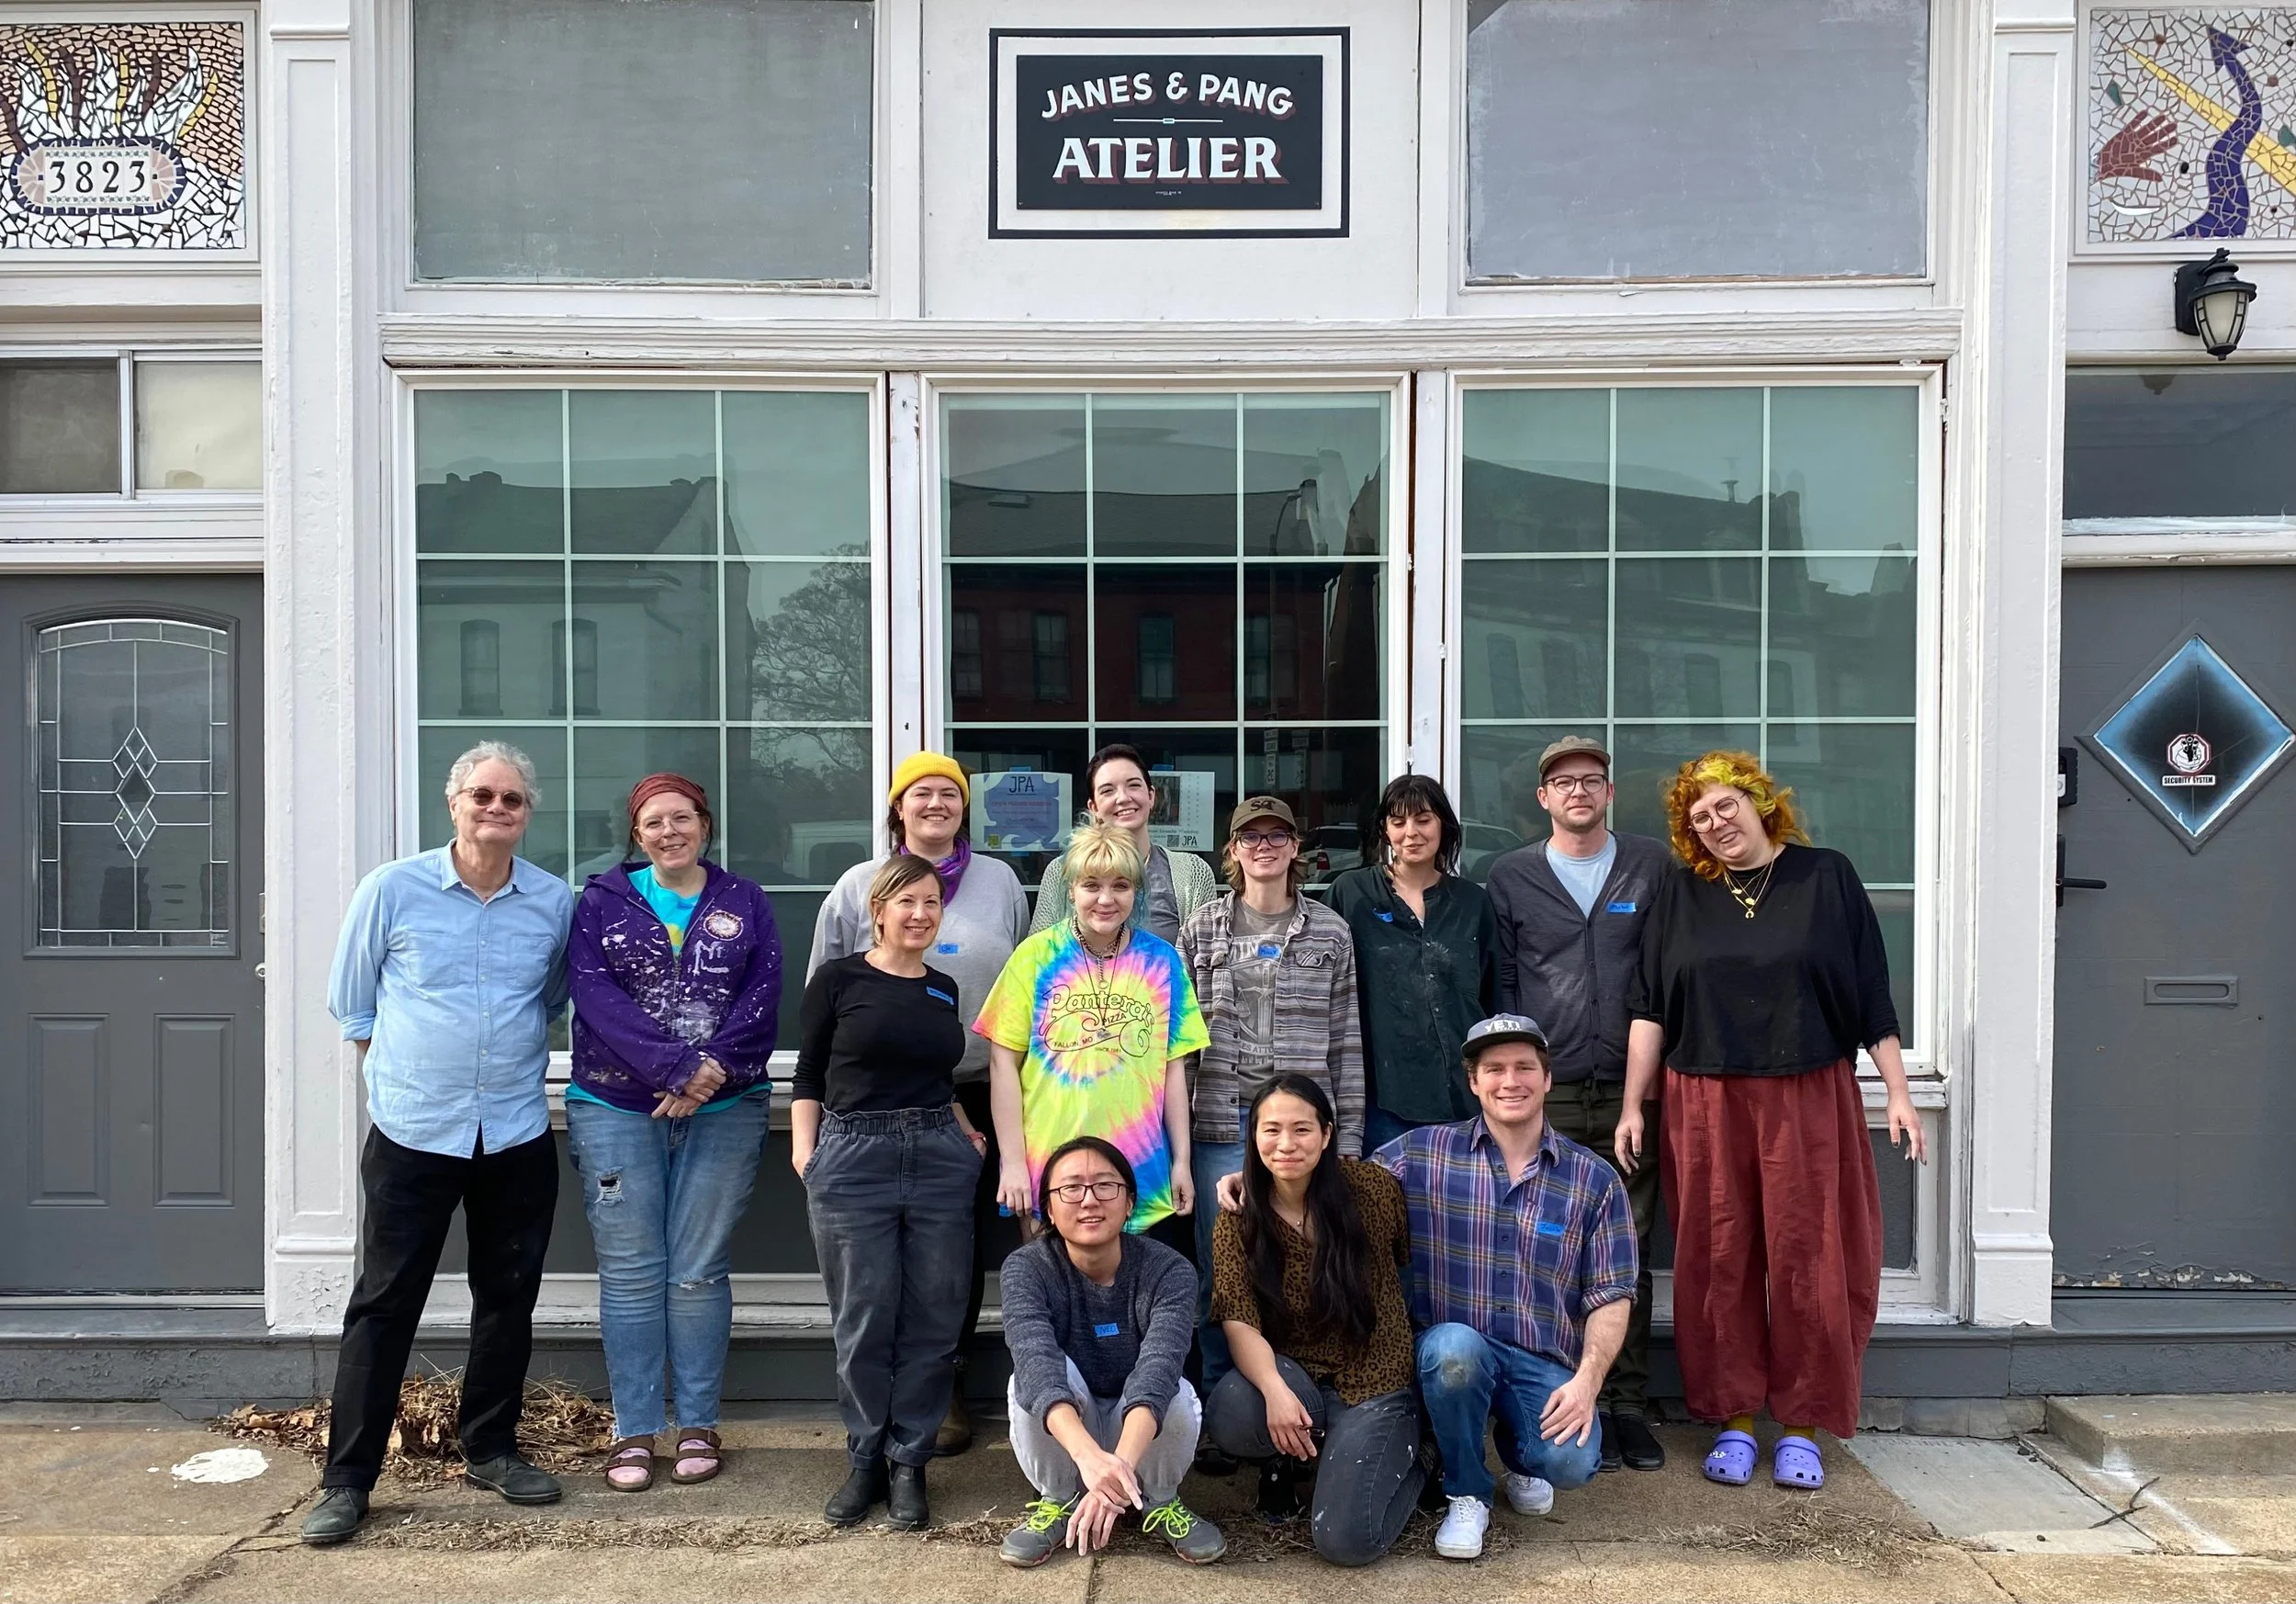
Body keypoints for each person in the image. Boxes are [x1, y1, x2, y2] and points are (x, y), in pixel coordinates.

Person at [1618, 751, 1925, 1494]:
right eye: (1699, 817)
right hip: (1705, 1093)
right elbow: (1651, 1006)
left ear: (1760, 802)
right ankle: (1734, 1419)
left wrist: (1901, 1093)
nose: (1716, 823)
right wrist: (1635, 1102)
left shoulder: (1827, 878)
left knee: (1810, 1257)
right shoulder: (1682, 895)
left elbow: (1870, 997)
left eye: (1726, 806)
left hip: (1807, 1089)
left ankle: (1801, 1424)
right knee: (1718, 1260)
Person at [303, 742, 576, 1546]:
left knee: (508, 1297)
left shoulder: (553, 902)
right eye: (482, 796)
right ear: (453, 804)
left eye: (513, 800)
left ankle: (489, 1448)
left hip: (516, 1132)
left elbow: (556, 996)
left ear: (529, 813)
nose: (496, 810)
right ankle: (348, 1479)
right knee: (385, 1304)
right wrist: (405, 1081)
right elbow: (352, 1006)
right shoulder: (393, 889)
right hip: (415, 1133)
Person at [566, 774, 783, 1495]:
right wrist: (674, 1067)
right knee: (630, 1273)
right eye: (654, 822)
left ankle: (697, 1422)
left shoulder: (743, 900)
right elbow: (593, 997)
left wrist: (709, 1073)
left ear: (704, 825)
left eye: (682, 818)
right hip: (616, 1106)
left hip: (724, 1107)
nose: (669, 831)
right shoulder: (600, 902)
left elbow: (764, 995)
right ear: (637, 833)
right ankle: (633, 1429)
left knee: (697, 1270)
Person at [810, 751, 1027, 1455]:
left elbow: (1024, 975)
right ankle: (879, 1422)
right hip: (871, 1101)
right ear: (897, 809)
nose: (936, 805)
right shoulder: (856, 885)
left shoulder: (998, 882)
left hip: (977, 1090)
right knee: (875, 1270)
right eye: (920, 794)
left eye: (949, 795)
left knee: (951, 1258)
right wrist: (808, 1140)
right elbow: (827, 999)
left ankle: (949, 1387)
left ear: (965, 808)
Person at [1378, 1013, 1637, 1562]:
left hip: (1538, 1358)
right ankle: (1467, 1491)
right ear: (1473, 1082)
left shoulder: (1594, 1179)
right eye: (1494, 1069)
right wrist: (1253, 1181)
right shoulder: (1421, 1155)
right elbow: (1333, 1189)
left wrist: (1588, 1383)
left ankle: (1518, 1456)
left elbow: (1612, 1293)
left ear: (1547, 1078)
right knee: (1455, 1353)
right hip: (1450, 1351)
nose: (1509, 1081)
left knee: (1570, 1462)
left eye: (1524, 1067)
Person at [1482, 736, 1672, 1473]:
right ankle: (1556, 1394)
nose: (1578, 792)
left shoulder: (1649, 866)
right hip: (1547, 1096)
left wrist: (1642, 1089)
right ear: (1543, 798)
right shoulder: (1513, 876)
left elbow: (1659, 979)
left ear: (1609, 793)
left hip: (1630, 1093)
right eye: (1563, 783)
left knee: (1629, 1251)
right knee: (1544, 1248)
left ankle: (1624, 1404)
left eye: (1591, 780)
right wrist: (1511, 1091)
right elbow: (1502, 991)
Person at [793, 853, 984, 1529]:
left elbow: (939, 1078)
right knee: (864, 1316)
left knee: (934, 1316)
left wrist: (965, 1132)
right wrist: (806, 1153)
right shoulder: (839, 979)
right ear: (878, 910)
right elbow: (809, 1072)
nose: (920, 914)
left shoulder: (943, 988)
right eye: (906, 902)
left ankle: (911, 1463)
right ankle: (866, 1458)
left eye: (931, 903)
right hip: (853, 1155)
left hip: (938, 1153)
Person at [1176, 796, 1363, 1406]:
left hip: (1302, 1129)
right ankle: (1216, 1402)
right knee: (1220, 1269)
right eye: (1249, 837)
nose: (1263, 847)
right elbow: (1181, 1049)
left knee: (1304, 1265)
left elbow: (1347, 1042)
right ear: (1231, 850)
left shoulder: (1330, 930)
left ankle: (1300, 1394)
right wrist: (1177, 1146)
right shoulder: (1202, 927)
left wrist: (1350, 1145)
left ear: (1296, 848)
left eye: (1277, 835)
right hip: (1222, 1124)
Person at [1205, 1076, 1424, 1565]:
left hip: (1374, 1378)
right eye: (1272, 1130)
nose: (1286, 1144)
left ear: (1327, 1135)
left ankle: (1416, 1462)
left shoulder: (1371, 1189)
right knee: (1232, 1413)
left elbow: (1402, 1261)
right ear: (1254, 1136)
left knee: (1346, 1542)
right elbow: (1238, 1318)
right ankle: (1303, 1453)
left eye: (1302, 1129)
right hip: (1296, 1376)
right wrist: (1275, 1392)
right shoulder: (1238, 1216)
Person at [977, 824, 1209, 1258]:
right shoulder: (1034, 957)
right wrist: (1012, 1163)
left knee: (1131, 1302)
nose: (1106, 899)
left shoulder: (1161, 961)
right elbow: (1001, 1063)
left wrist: (1181, 1160)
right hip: (1049, 1167)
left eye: (1120, 885)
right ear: (1071, 890)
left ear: (1136, 892)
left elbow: (1173, 1068)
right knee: (1053, 1300)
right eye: (1092, 885)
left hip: (1139, 1168)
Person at [998, 1138, 1226, 1569]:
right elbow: (1037, 1362)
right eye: (1071, 1188)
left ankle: (1158, 1501)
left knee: (1174, 1390)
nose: (1089, 1200)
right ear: (1048, 1206)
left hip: (1136, 1427)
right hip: (1072, 1431)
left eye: (1105, 1186)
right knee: (1030, 1380)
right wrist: (1088, 1459)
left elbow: (1158, 1368)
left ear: (1129, 1203)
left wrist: (1115, 1471)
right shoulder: (1026, 1268)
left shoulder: (1169, 1270)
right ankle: (1059, 1499)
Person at [1327, 774, 1498, 1153]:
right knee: (1385, 1207)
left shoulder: (1473, 903)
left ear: (1443, 825)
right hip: (1381, 1095)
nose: (1411, 832)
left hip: (1464, 1093)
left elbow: (1495, 995)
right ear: (1384, 830)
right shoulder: (1351, 893)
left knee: (1461, 1207)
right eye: (1398, 821)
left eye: (1423, 819)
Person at [1030, 744, 1220, 945]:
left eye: (1133, 785)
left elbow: (1205, 962)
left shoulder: (1192, 873)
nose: (1123, 798)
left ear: (1151, 795)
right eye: (1108, 790)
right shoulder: (1061, 871)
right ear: (1093, 807)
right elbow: (1036, 958)